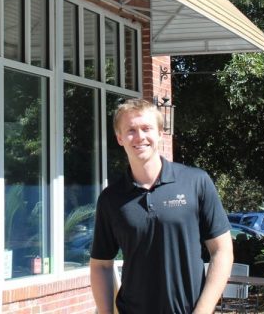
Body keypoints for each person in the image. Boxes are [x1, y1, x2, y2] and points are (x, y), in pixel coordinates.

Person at [90, 98, 234, 314]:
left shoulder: (195, 182)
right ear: (119, 138)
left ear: (159, 132)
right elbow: (101, 265)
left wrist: (202, 311)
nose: (139, 137)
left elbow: (222, 251)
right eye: (130, 130)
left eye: (146, 128)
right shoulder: (111, 199)